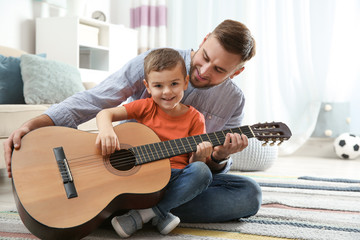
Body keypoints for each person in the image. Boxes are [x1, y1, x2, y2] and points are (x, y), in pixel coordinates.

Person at [4, 19, 262, 224]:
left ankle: (117, 209)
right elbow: (97, 100)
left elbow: (213, 170)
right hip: (128, 170)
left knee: (249, 194)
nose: (203, 71)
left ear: (236, 72)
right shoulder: (155, 61)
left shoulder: (233, 101)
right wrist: (34, 124)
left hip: (180, 174)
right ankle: (135, 207)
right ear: (204, 40)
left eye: (219, 70)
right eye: (205, 57)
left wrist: (219, 158)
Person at [96, 48, 214, 237]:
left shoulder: (195, 118)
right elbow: (105, 113)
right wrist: (106, 129)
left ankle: (144, 215)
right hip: (143, 175)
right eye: (158, 86)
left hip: (174, 178)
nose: (167, 92)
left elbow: (194, 167)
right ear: (148, 87)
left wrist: (200, 156)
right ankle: (160, 213)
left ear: (185, 82)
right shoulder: (146, 106)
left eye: (174, 83)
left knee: (202, 172)